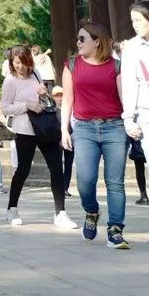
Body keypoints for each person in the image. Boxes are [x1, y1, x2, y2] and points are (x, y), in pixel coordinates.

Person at [60, 23, 128, 249]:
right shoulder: (71, 65)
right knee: (85, 180)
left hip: (114, 127)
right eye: (78, 39)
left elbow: (124, 98)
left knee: (115, 182)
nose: (78, 43)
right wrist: (64, 130)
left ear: (97, 41)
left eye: (82, 39)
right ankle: (91, 211)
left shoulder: (115, 66)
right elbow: (67, 100)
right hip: (84, 129)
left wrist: (130, 122)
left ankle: (115, 229)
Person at [1, 44, 76, 230]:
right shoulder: (10, 81)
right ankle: (12, 208)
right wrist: (27, 105)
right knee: (23, 169)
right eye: (15, 62)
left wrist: (44, 96)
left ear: (28, 60)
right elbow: (5, 108)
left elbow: (47, 102)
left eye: (22, 62)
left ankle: (60, 212)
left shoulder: (36, 75)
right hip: (24, 129)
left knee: (57, 167)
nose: (19, 66)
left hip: (45, 128)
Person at [122, 0, 149, 225]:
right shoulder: (132, 48)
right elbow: (129, 85)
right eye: (132, 21)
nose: (134, 25)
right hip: (147, 116)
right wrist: (128, 118)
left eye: (139, 20)